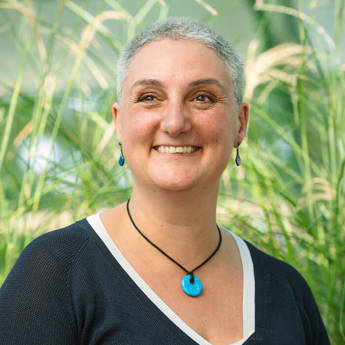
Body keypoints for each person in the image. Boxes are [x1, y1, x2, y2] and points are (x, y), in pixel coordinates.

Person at [0, 17, 330, 345]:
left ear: (240, 124)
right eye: (149, 97)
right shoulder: (55, 273)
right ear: (119, 123)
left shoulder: (288, 290)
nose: (175, 123)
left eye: (202, 97)